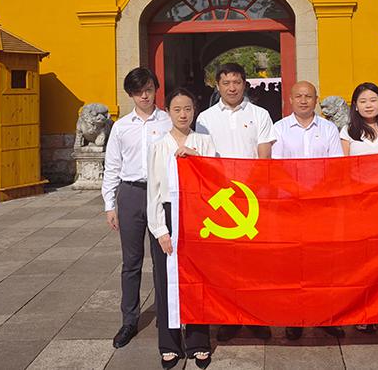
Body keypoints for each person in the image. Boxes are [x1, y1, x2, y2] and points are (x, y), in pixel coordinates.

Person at [195, 62, 277, 341]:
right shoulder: (205, 118)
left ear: (245, 84)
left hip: (251, 196)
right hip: (220, 198)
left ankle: (255, 316)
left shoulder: (260, 114)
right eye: (226, 83)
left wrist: (259, 189)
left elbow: (264, 155)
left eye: (237, 82)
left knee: (255, 262)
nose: (232, 88)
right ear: (217, 86)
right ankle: (228, 317)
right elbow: (203, 157)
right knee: (225, 262)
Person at [102, 67, 172, 349]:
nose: (144, 96)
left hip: (160, 194)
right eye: (138, 91)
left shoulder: (168, 121)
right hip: (131, 194)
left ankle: (167, 316)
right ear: (130, 94)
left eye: (149, 90)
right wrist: (109, 205)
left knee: (163, 259)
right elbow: (112, 166)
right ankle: (129, 320)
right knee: (131, 262)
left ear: (156, 90)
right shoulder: (121, 127)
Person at [147, 88, 215, 369]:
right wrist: (160, 230)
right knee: (165, 280)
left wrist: (195, 158)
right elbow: (153, 191)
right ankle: (169, 344)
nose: (183, 114)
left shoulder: (205, 142)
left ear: (194, 110)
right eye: (177, 109)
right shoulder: (158, 145)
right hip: (167, 213)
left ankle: (199, 342)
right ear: (168, 112)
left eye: (187, 108)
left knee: (198, 280)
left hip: (197, 216)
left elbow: (214, 179)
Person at [271, 80, 344, 340]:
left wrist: (316, 193)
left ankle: (326, 316)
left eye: (309, 96)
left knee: (323, 263)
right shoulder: (279, 128)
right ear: (290, 100)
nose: (304, 100)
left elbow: (335, 166)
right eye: (299, 96)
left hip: (321, 205)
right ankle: (295, 318)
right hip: (290, 206)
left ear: (316, 100)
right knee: (293, 264)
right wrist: (298, 192)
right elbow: (277, 168)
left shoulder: (328, 129)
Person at [339, 82, 378, 333]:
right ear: (355, 106)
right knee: (363, 261)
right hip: (359, 205)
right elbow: (342, 169)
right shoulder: (348, 132)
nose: (368, 105)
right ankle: (364, 312)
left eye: (373, 100)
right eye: (362, 101)